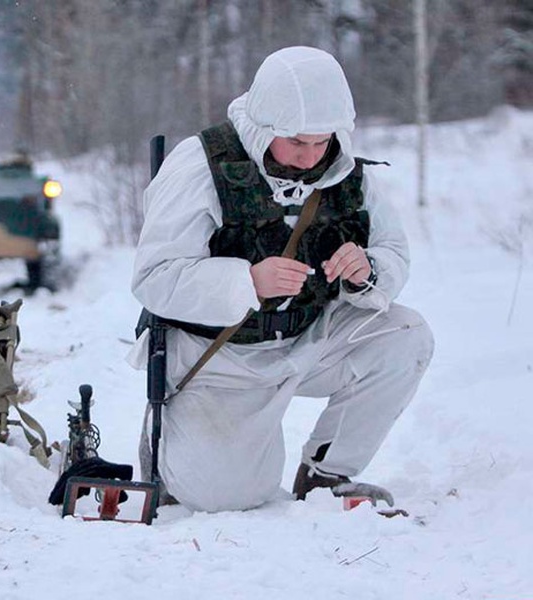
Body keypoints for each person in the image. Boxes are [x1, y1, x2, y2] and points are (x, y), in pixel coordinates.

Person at [129, 46, 435, 512]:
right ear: (268, 125)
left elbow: (393, 253)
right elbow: (154, 278)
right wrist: (246, 282)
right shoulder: (201, 166)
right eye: (297, 142)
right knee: (228, 497)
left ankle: (326, 473)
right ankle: (172, 452)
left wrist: (367, 270)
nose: (312, 156)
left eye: (322, 142)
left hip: (310, 339)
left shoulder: (347, 170)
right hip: (219, 359)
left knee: (405, 337)